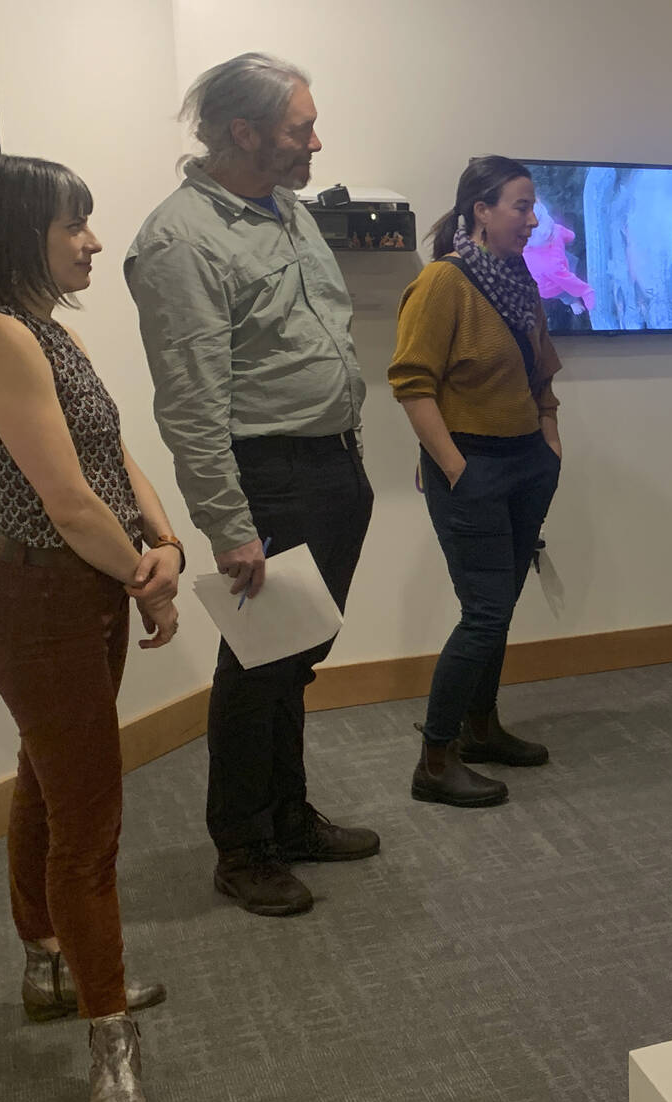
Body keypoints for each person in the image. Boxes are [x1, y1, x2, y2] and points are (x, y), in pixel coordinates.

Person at [0, 153, 182, 1102]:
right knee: (90, 825)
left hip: (83, 587)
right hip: (42, 596)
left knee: (48, 781)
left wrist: (161, 546)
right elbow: (69, 501)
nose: (91, 240)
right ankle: (106, 1031)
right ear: (15, 235)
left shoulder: (48, 333)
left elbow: (111, 456)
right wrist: (140, 570)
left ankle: (49, 959)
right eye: (72, 225)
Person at [126, 53, 380, 918]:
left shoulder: (291, 212)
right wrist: (229, 527)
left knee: (295, 662)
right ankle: (242, 846)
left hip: (334, 467)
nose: (317, 139)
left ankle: (288, 817)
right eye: (300, 126)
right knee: (257, 667)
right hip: (270, 481)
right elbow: (191, 404)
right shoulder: (179, 240)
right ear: (245, 133)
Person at [391, 156, 565, 808]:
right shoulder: (443, 283)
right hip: (472, 467)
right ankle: (435, 759)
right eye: (520, 205)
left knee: (499, 610)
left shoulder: (517, 277)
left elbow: (540, 368)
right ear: (481, 211)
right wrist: (457, 471)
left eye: (532, 205)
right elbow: (412, 384)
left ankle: (481, 727)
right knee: (486, 612)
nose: (532, 218)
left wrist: (549, 436)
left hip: (525, 463)